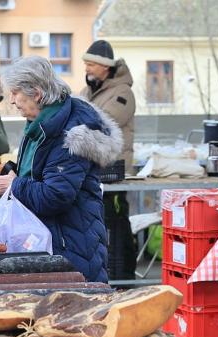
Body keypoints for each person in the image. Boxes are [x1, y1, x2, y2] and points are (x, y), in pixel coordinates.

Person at [0, 55, 122, 337]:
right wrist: (10, 171)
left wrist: (12, 186)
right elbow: (32, 168)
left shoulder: (74, 131)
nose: (12, 103)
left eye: (15, 95)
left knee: (74, 331)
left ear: (35, 92)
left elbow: (56, 195)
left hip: (73, 243)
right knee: (37, 323)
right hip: (48, 242)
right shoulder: (42, 121)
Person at [79, 39, 137, 280]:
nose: (87, 68)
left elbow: (105, 121)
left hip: (114, 169)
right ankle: (103, 271)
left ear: (106, 67)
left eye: (92, 64)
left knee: (116, 220)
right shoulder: (87, 91)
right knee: (97, 221)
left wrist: (79, 119)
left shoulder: (122, 92)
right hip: (93, 168)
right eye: (86, 63)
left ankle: (123, 273)